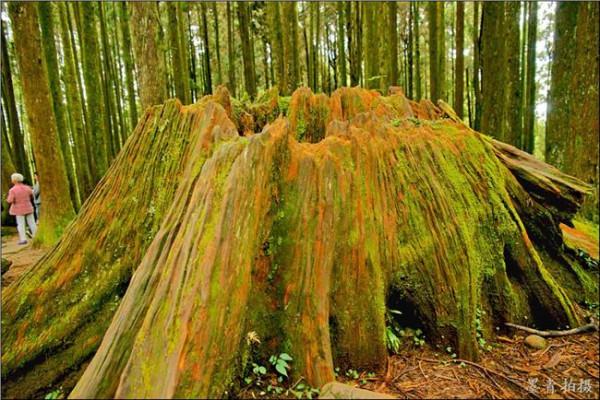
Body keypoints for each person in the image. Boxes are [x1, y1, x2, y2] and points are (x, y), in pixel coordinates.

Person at [6, 173, 37, 245]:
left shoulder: (12, 190)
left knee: (20, 224)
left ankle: (23, 239)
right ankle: (36, 236)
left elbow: (10, 200)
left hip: (18, 209)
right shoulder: (27, 188)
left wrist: (7, 199)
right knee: (32, 223)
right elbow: (32, 196)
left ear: (14, 180)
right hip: (29, 208)